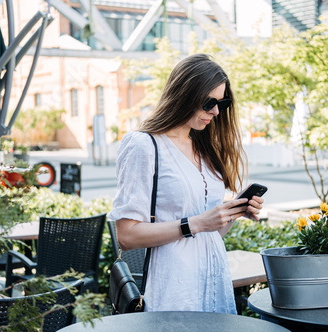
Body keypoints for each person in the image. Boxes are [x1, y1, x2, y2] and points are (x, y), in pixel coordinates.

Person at [107, 53, 264, 314]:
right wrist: (197, 222)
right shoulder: (144, 145)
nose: (215, 111)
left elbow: (205, 236)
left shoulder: (203, 147)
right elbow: (126, 235)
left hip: (214, 286)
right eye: (208, 102)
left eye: (220, 103)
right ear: (184, 95)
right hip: (173, 292)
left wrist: (232, 213)